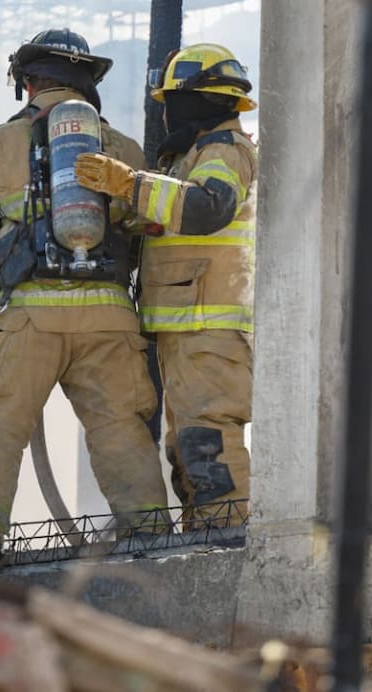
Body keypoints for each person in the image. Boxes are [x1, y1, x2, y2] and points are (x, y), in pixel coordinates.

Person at [0, 28, 168, 573]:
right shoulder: (121, 149)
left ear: (28, 81)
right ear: (89, 83)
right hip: (109, 319)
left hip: (28, 318)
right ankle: (153, 542)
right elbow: (148, 226)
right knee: (119, 429)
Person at [74, 43, 257, 528]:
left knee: (207, 439)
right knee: (186, 448)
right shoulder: (191, 157)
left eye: (173, 99)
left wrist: (131, 184)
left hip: (210, 326)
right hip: (187, 327)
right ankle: (206, 536)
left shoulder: (224, 150)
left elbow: (207, 208)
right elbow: (177, 214)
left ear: (200, 99)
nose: (169, 111)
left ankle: (230, 540)